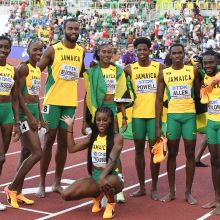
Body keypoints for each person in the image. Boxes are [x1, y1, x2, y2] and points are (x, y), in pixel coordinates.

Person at [36, 18, 85, 197]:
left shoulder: (81, 51)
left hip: (70, 104)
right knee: (48, 141)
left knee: (64, 143)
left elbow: (82, 72)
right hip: (52, 102)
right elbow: (38, 67)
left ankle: (57, 182)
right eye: (70, 28)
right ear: (63, 29)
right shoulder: (53, 49)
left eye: (76, 28)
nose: (74, 31)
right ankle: (42, 183)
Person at [82, 43, 128, 203]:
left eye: (110, 52)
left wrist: (124, 116)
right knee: (97, 146)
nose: (107, 54)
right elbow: (87, 96)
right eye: (104, 52)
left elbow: (121, 94)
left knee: (115, 148)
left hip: (112, 110)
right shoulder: (93, 71)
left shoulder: (117, 71)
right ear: (98, 53)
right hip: (97, 111)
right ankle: (98, 183)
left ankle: (119, 185)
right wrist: (84, 122)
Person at [4, 39, 47, 208]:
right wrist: (28, 116)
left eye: (40, 50)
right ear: (27, 50)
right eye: (35, 49)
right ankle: (12, 188)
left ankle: (19, 192)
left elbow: (35, 96)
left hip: (33, 112)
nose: (38, 53)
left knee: (25, 152)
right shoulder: (24, 68)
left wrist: (40, 118)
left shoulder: (37, 69)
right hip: (24, 114)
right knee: (38, 153)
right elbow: (19, 96)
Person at [156, 44, 201, 204]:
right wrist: (158, 125)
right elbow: (159, 99)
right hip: (173, 117)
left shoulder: (192, 71)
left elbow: (200, 94)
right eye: (174, 53)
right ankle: (171, 191)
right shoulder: (164, 73)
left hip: (189, 116)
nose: (177, 56)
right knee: (172, 154)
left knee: (190, 154)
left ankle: (188, 193)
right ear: (170, 55)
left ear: (184, 54)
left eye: (180, 53)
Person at [61, 107, 124, 219]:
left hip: (113, 176)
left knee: (106, 181)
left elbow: (112, 159)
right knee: (66, 194)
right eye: (98, 120)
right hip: (96, 176)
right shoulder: (93, 137)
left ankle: (111, 204)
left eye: (105, 120)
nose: (101, 123)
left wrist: (102, 177)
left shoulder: (117, 137)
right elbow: (71, 148)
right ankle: (98, 196)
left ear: (110, 120)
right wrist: (70, 126)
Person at [124, 37, 165, 200]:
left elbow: (175, 73)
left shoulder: (159, 67)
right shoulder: (129, 68)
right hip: (138, 116)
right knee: (139, 151)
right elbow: (114, 75)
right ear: (135, 51)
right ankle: (142, 187)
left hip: (154, 117)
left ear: (150, 50)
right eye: (139, 50)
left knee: (155, 152)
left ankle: (154, 187)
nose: (142, 53)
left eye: (144, 49)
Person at [0, 35, 20, 210]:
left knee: (1, 159)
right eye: (0, 46)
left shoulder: (12, 70)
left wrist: (17, 121)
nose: (3, 50)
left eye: (6, 47)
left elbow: (14, 98)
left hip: (7, 113)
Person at [201, 50, 220, 215]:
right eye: (205, 63)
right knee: (214, 160)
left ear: (217, 62)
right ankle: (217, 198)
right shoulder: (204, 78)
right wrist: (210, 85)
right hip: (211, 122)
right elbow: (204, 97)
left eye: (211, 63)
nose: (208, 66)